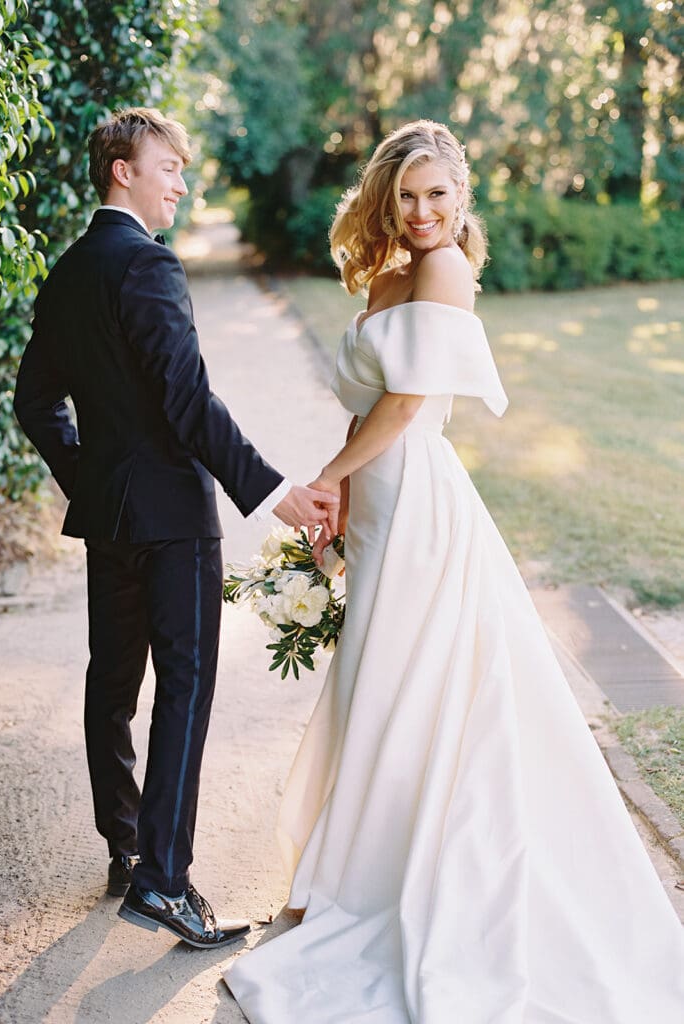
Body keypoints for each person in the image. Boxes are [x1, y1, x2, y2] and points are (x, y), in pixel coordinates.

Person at [224, 120, 684, 1019]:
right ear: (386, 198)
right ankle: (354, 871)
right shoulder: (388, 272)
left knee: (415, 684)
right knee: (374, 685)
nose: (423, 210)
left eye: (438, 194)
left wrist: (329, 479)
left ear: (459, 198)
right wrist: (340, 503)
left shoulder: (445, 273)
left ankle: (396, 880)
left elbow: (407, 404)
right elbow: (365, 418)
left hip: (423, 505)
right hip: (380, 501)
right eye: (407, 194)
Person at [14, 107, 337, 951]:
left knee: (112, 682)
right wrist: (273, 493)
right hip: (173, 522)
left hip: (111, 518)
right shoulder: (148, 266)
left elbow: (34, 403)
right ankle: (162, 881)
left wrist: (90, 478)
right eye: (169, 166)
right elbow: (187, 402)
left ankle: (127, 849)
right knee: (183, 693)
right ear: (122, 169)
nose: (181, 183)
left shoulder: (69, 270)